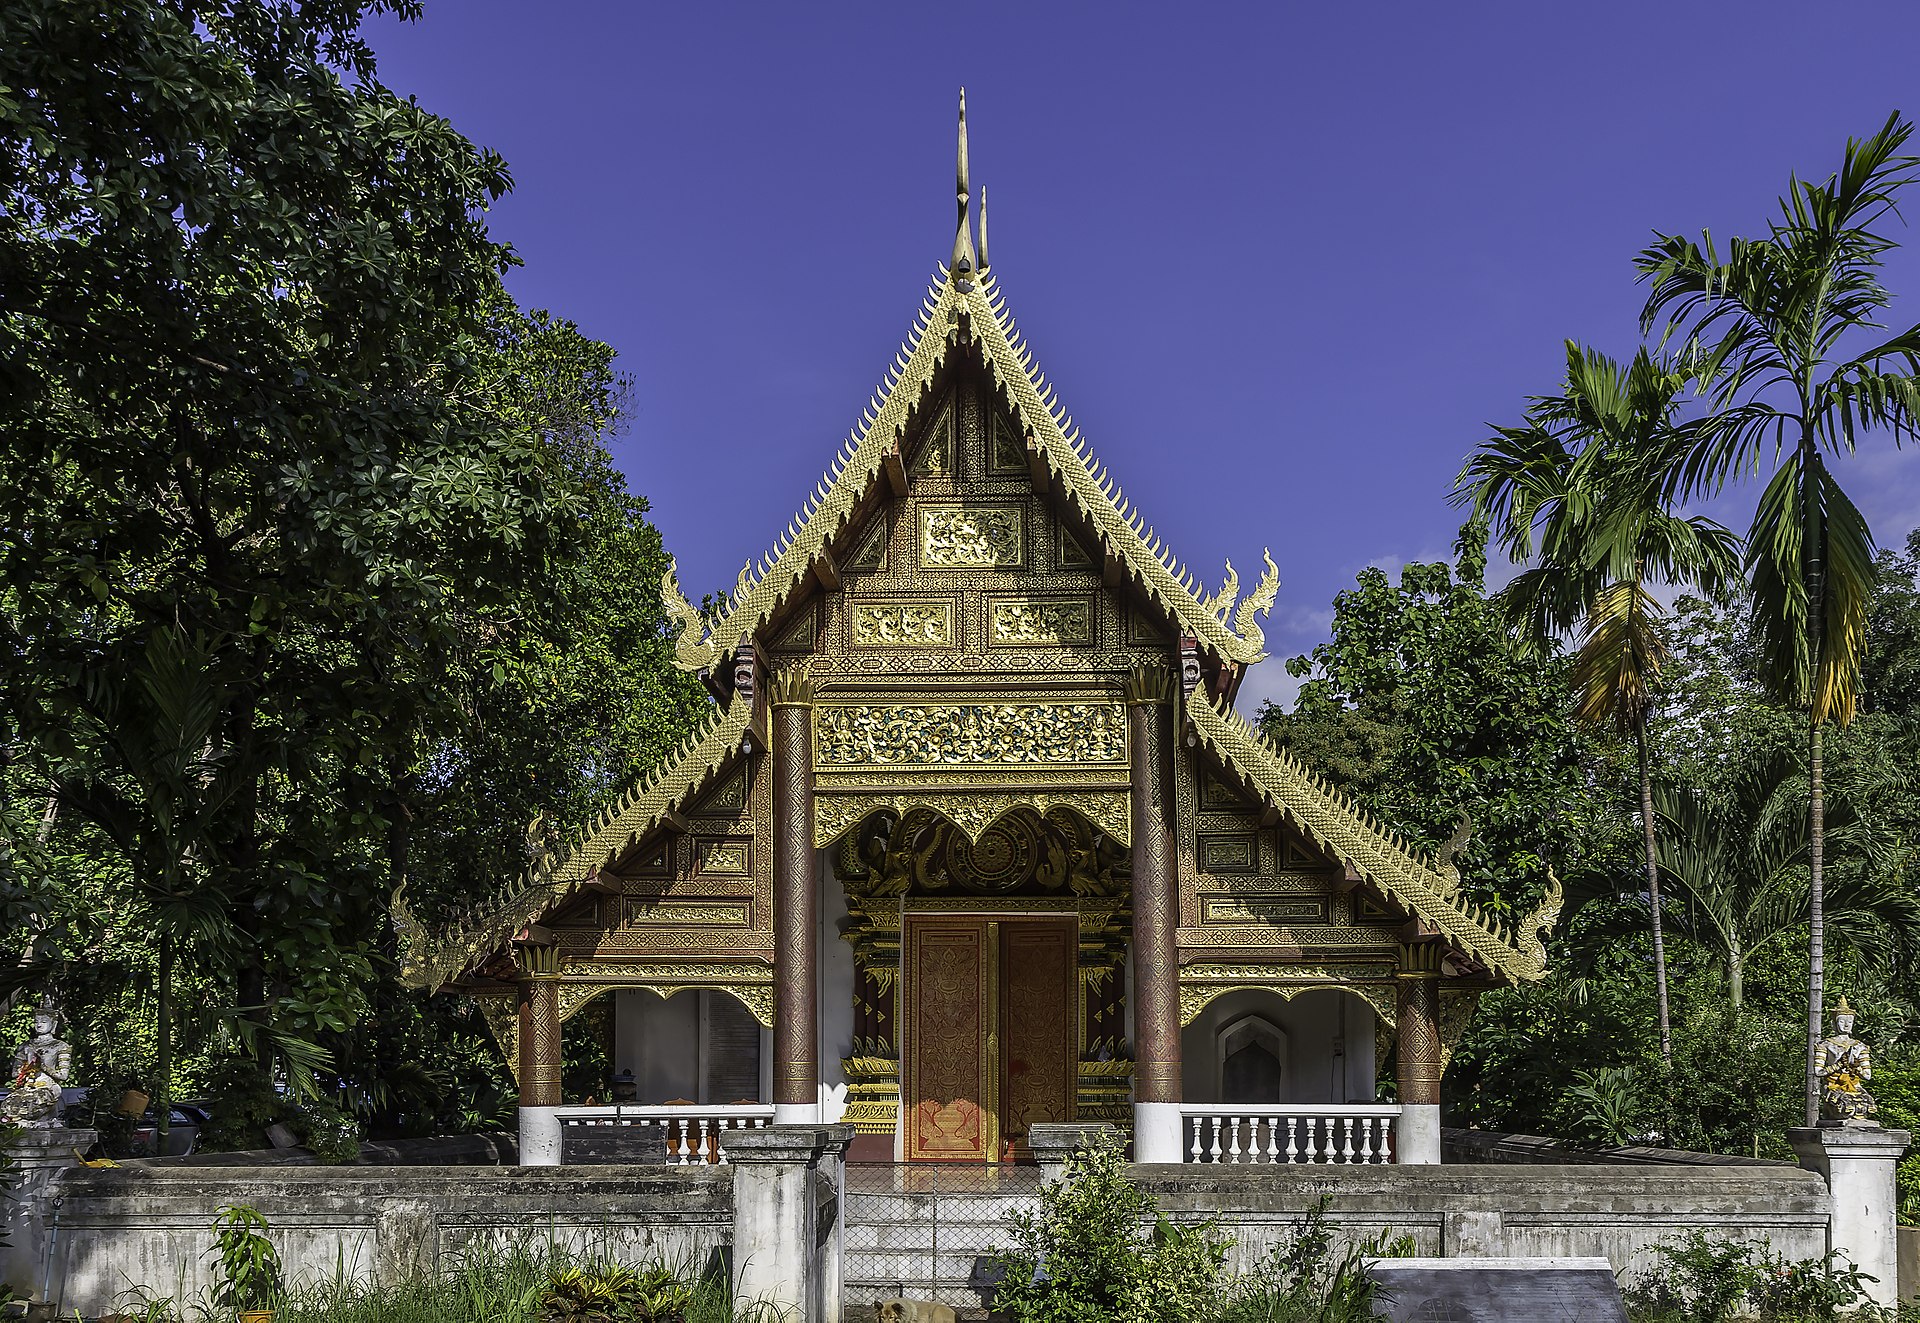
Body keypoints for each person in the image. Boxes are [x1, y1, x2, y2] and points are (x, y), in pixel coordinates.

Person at [2, 1002, 74, 1127]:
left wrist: (42, 1066)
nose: (39, 1025)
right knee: (7, 1106)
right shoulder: (25, 1046)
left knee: (32, 1105)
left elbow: (63, 1076)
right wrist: (27, 1066)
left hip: (47, 1087)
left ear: (54, 1024)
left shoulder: (60, 1046)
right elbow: (14, 1073)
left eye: (44, 1022)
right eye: (36, 1022)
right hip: (27, 1088)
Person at [1816, 995, 1877, 1124]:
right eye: (1842, 1021)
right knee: (1845, 1105)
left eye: (1849, 1022)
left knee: (1866, 1104)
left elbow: (1867, 1075)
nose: (1846, 1025)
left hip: (1854, 1085)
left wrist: (1855, 1067)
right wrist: (1838, 1065)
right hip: (1834, 1085)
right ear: (1834, 1024)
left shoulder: (1860, 1046)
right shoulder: (1826, 1045)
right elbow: (1818, 1071)